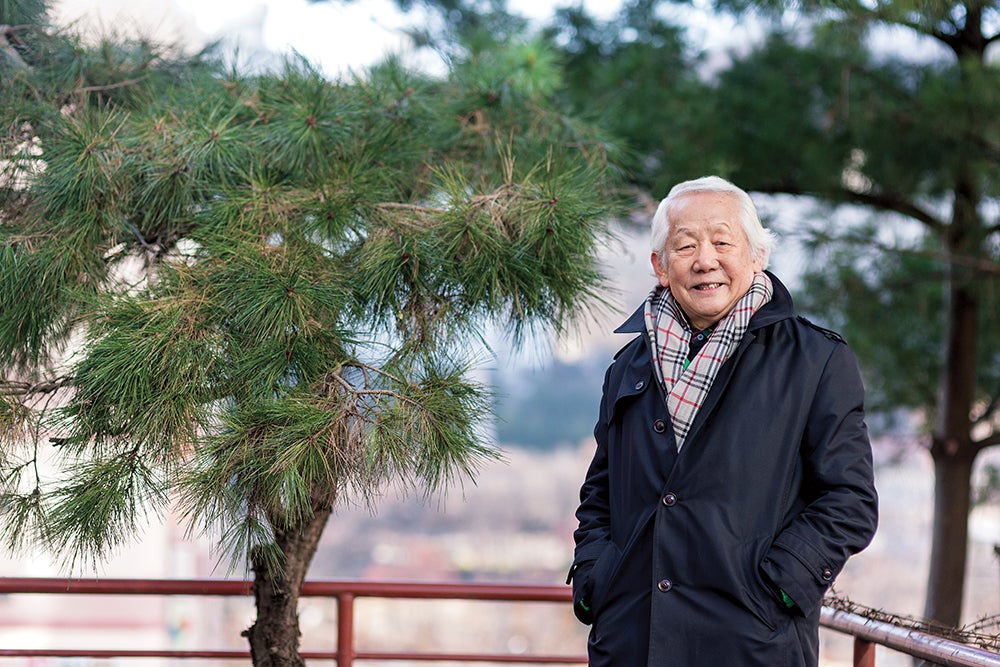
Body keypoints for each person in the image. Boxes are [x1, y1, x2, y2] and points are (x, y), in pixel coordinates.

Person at [567, 176, 878, 666]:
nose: (704, 260)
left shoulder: (815, 360)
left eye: (722, 242)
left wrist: (778, 586)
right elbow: (600, 491)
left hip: (751, 642)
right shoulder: (629, 366)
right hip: (633, 639)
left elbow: (849, 499)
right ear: (660, 267)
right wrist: (594, 579)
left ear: (756, 257)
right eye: (685, 245)